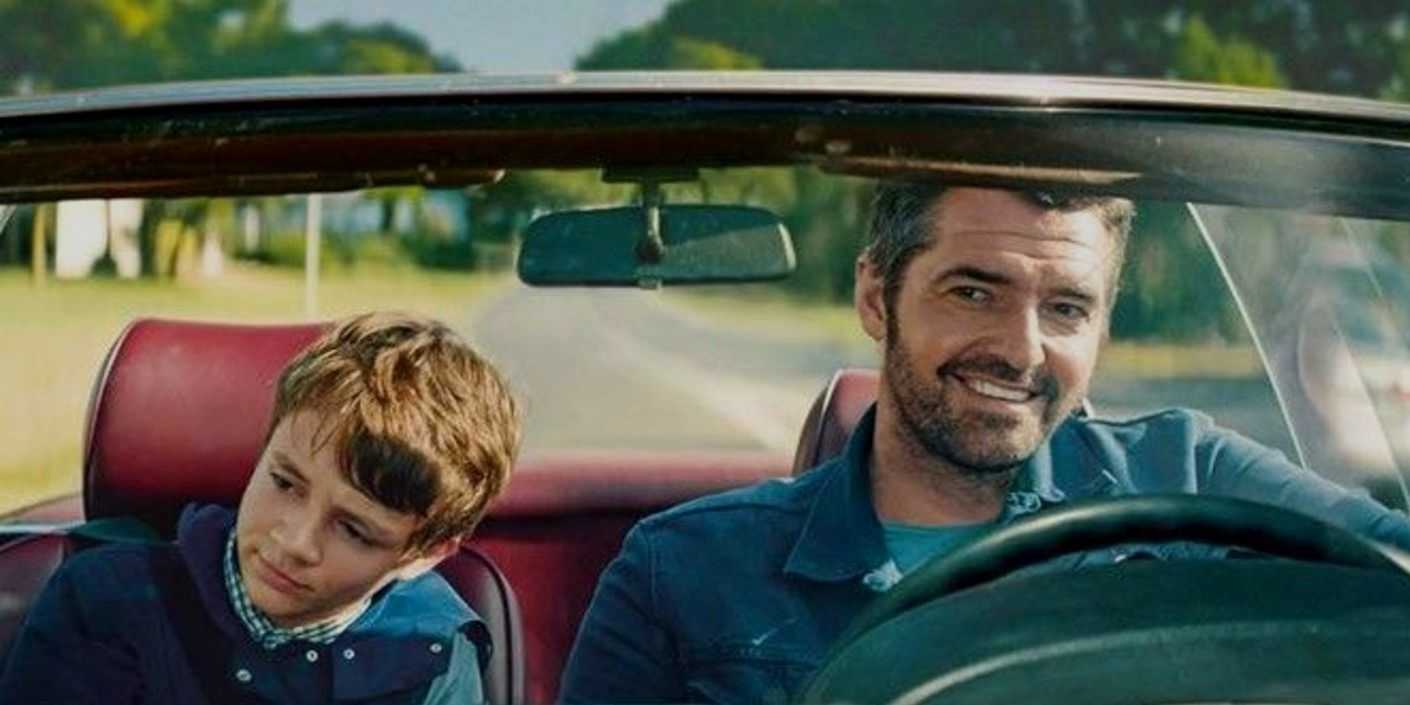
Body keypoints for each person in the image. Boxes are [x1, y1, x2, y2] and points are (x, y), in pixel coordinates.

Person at [557, 183, 1410, 705]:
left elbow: (1393, 575)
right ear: (876, 296)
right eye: (973, 292)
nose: (1021, 349)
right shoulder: (684, 572)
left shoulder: (1191, 475)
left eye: (1066, 308)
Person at [0, 312, 521, 705]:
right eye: (285, 483)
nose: (295, 543)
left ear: (426, 553)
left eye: (354, 531)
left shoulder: (434, 653)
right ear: (264, 448)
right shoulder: (107, 601)